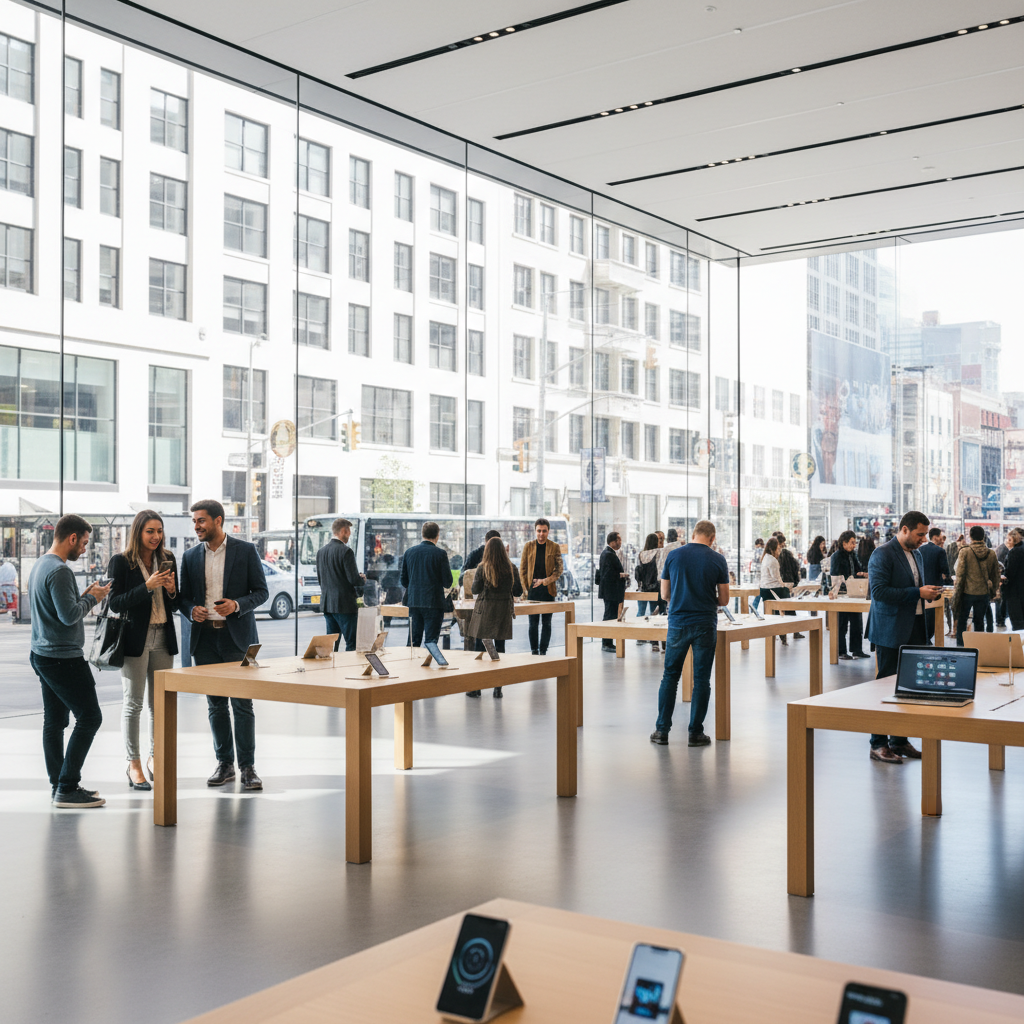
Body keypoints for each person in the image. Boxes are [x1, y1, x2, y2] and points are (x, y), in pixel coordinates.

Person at [179, 500, 269, 790]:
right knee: (216, 705)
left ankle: (248, 767)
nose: (197, 526)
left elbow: (262, 592)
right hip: (205, 639)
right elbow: (182, 598)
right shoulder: (190, 556)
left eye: (201, 521)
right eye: (194, 522)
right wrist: (191, 609)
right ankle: (225, 764)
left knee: (242, 704)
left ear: (218, 521)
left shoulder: (245, 551)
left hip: (237, 639)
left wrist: (237, 605)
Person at [28, 514, 111, 808]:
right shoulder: (61, 571)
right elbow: (69, 616)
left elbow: (60, 608)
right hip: (63, 658)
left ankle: (59, 785)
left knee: (55, 721)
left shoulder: (41, 564)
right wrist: (95, 598)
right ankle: (67, 786)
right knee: (90, 718)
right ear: (72, 538)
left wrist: (83, 595)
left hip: (42, 654)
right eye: (85, 542)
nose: (85, 549)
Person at [107, 510, 179, 791]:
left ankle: (155, 758)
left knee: (159, 704)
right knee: (133, 703)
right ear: (138, 532)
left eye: (159, 531)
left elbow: (175, 604)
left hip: (163, 638)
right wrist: (147, 587)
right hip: (135, 639)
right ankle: (133, 762)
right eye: (150, 531)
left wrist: (172, 591)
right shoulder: (122, 562)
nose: (156, 537)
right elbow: (115, 603)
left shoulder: (168, 559)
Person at [864, 511, 942, 764]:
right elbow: (879, 592)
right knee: (885, 686)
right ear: (905, 529)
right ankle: (878, 743)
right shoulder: (882, 553)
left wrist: (927, 594)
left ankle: (899, 740)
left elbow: (913, 591)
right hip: (890, 629)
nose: (924, 539)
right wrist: (917, 592)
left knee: (911, 687)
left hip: (916, 628)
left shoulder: (917, 553)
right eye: (920, 534)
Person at [650, 520, 729, 747]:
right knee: (701, 679)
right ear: (712, 538)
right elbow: (723, 600)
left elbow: (665, 593)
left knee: (670, 676)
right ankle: (695, 733)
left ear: (693, 534)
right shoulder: (718, 559)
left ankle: (662, 731)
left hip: (678, 622)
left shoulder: (673, 556)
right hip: (705, 622)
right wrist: (705, 599)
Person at [465, 537, 523, 698]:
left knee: (480, 651)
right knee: (500, 651)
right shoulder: (511, 567)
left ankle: (477, 688)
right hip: (503, 612)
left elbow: (475, 589)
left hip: (485, 612)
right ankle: (498, 688)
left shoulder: (483, 567)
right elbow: (518, 591)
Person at [400, 520, 452, 649]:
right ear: (437, 535)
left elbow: (404, 581)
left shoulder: (409, 552)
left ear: (422, 534)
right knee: (431, 642)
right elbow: (448, 582)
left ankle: (411, 667)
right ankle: (427, 666)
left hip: (414, 602)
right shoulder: (440, 554)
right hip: (434, 603)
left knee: (413, 642)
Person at [316, 517, 364, 652]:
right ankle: (348, 670)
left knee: (331, 644)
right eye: (349, 532)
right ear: (344, 531)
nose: (350, 535)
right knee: (352, 643)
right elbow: (353, 580)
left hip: (327, 604)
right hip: (344, 605)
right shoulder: (346, 551)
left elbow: (321, 579)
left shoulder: (321, 552)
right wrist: (362, 579)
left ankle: (331, 671)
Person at [519, 518, 564, 656]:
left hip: (548, 591)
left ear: (548, 531)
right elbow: (522, 570)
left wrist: (545, 581)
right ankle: (534, 651)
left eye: (544, 531)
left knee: (547, 623)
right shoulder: (528, 546)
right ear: (535, 531)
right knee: (533, 624)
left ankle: (543, 651)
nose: (541, 534)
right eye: (539, 531)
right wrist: (525, 589)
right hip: (532, 592)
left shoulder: (554, 546)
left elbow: (559, 570)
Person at [953, 525, 1001, 646]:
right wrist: (993, 590)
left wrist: (957, 592)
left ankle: (961, 645)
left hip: (967, 593)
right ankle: (978, 647)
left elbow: (960, 574)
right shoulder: (991, 553)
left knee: (962, 620)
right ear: (983, 537)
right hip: (983, 593)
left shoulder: (965, 551)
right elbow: (996, 575)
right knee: (979, 621)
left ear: (970, 536)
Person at [829, 530, 868, 660]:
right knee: (842, 624)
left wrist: (862, 573)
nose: (854, 545)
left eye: (854, 543)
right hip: (841, 594)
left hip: (854, 593)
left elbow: (857, 569)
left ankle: (857, 650)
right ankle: (841, 651)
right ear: (844, 543)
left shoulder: (853, 555)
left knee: (857, 623)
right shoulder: (836, 556)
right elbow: (835, 576)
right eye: (852, 543)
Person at [919, 527, 951, 643]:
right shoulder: (940, 551)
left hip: (921, 587)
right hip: (935, 589)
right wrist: (946, 576)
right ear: (935, 537)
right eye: (941, 537)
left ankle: (924, 638)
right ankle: (929, 638)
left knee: (923, 614)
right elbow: (946, 571)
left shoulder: (920, 550)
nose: (942, 539)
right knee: (934, 616)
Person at [597, 531, 628, 652]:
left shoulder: (608, 553)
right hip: (610, 591)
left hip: (611, 591)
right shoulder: (608, 554)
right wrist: (621, 575)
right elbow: (608, 574)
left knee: (611, 615)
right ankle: (606, 643)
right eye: (619, 540)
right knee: (609, 616)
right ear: (612, 541)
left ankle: (608, 642)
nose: (620, 542)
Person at [758, 537, 790, 646]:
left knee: (776, 611)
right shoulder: (773, 560)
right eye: (778, 549)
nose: (779, 551)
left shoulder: (765, 558)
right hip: (772, 590)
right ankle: (790, 628)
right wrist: (785, 586)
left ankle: (782, 634)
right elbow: (776, 578)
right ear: (773, 549)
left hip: (764, 590)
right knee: (789, 599)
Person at [775, 533, 804, 638]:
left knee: (779, 608)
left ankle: (782, 634)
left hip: (780, 584)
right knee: (789, 608)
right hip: (788, 583)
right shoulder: (787, 554)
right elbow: (795, 567)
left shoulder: (777, 555)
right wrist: (795, 582)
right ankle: (794, 631)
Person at [634, 533, 661, 644]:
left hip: (642, 588)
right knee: (653, 613)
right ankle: (652, 638)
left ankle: (640, 637)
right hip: (654, 588)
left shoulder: (641, 554)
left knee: (641, 612)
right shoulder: (658, 553)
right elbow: (659, 571)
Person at [1003, 529, 1024, 629]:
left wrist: (1002, 577)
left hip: (1015, 592)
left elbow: (1010, 573)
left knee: (1017, 623)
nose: (1007, 541)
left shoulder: (1015, 552)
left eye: (1009, 539)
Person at [995, 534, 1010, 627]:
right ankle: (1000, 620)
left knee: (1001, 600)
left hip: (1001, 579)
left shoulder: (1003, 548)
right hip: (1001, 580)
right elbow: (999, 566)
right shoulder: (1002, 550)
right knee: (1000, 600)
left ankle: (1001, 619)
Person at [749, 537, 765, 610]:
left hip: (758, 575)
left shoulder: (757, 551)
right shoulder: (764, 551)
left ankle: (753, 609)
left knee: (758, 594)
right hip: (764, 575)